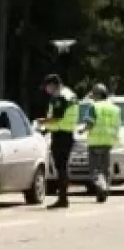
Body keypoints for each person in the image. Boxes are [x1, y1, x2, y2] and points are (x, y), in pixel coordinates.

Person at [40, 73, 80, 209]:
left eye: (47, 87)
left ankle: (63, 199)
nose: (46, 90)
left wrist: (41, 122)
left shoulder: (60, 97)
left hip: (60, 135)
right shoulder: (70, 94)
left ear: (53, 85)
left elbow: (56, 117)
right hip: (67, 133)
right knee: (63, 167)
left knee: (61, 168)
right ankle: (63, 197)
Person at [82, 83, 121, 204]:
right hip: (108, 142)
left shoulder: (94, 107)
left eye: (94, 95)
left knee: (94, 169)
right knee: (105, 168)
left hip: (95, 142)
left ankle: (101, 187)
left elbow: (90, 123)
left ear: (98, 95)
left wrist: (82, 130)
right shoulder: (115, 108)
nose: (92, 97)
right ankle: (104, 190)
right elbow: (117, 125)